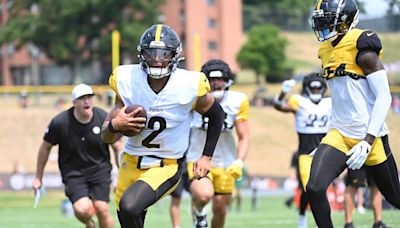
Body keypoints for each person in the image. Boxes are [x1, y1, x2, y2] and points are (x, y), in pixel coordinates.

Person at [101, 24, 225, 228]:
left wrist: (206, 156)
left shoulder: (188, 84)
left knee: (130, 206)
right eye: (151, 53)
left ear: (175, 56)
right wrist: (115, 125)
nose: (157, 59)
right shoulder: (126, 79)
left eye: (164, 54)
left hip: (166, 165)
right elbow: (106, 137)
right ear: (142, 54)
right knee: (130, 217)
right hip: (130, 162)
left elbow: (217, 114)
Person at [308, 1, 400, 227]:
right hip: (339, 133)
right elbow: (341, 96)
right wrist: (327, 136)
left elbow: (384, 97)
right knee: (314, 187)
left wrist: (368, 140)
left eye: (327, 18)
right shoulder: (325, 49)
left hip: (371, 136)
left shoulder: (361, 45)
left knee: (395, 197)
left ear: (345, 19)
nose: (323, 23)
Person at [32, 83, 123, 228]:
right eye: (82, 98)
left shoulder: (102, 118)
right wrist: (38, 177)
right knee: (82, 209)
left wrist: (121, 175)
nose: (87, 101)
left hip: (100, 170)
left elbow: (118, 146)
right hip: (73, 173)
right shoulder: (60, 122)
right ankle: (89, 224)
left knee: (102, 208)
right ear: (74, 102)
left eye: (89, 97)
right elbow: (45, 148)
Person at [186, 59, 250, 228]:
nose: (216, 83)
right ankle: (199, 214)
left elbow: (244, 136)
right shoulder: (193, 99)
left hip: (226, 161)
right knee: (203, 195)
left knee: (221, 209)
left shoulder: (238, 100)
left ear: (228, 80)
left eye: (220, 79)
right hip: (197, 156)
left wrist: (239, 162)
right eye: (212, 80)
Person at [273, 73, 332, 228]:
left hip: (325, 151)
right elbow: (279, 106)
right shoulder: (299, 101)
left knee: (321, 188)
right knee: (308, 187)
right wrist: (282, 93)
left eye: (319, 88)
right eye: (312, 88)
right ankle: (302, 215)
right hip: (306, 153)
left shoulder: (330, 103)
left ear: (323, 88)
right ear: (307, 89)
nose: (316, 90)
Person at [169, 160, 190, 228]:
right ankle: (176, 226)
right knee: (176, 199)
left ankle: (198, 224)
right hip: (178, 167)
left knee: (197, 198)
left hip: (193, 167)